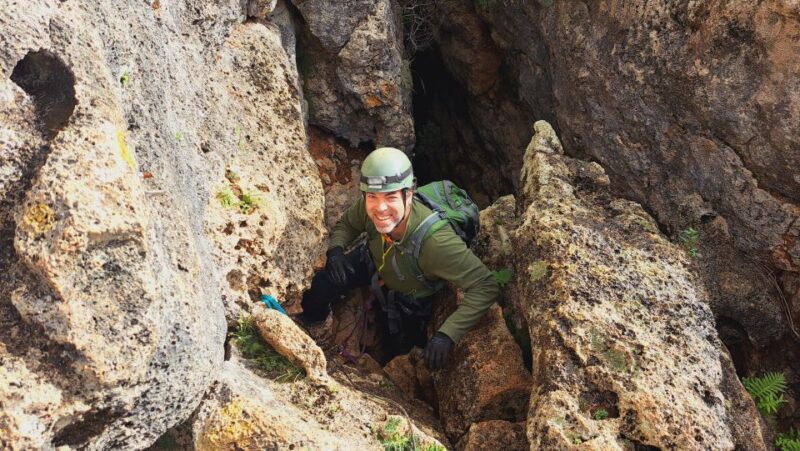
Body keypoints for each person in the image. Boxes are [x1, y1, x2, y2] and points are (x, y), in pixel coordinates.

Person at [300, 147, 499, 369]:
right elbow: (347, 225)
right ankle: (311, 330)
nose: (380, 208)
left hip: (413, 292)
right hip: (375, 258)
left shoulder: (436, 243)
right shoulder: (368, 207)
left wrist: (447, 334)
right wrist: (336, 251)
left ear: (409, 194)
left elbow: (486, 285)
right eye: (372, 197)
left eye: (391, 197)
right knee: (320, 286)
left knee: (405, 344)